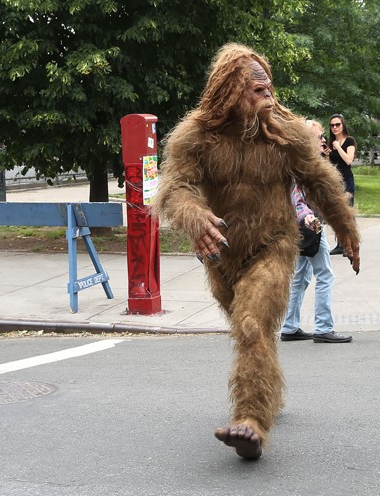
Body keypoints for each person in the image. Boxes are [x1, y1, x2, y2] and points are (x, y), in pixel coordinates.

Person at [154, 43, 360, 460]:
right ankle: (268, 394)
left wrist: (347, 230)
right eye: (256, 90)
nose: (268, 97)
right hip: (220, 256)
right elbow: (176, 189)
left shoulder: (286, 132)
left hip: (274, 245)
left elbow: (320, 179)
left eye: (269, 88)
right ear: (230, 91)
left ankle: (251, 422)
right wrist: (195, 216)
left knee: (251, 324)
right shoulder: (196, 134)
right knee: (256, 333)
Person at [280, 121, 353, 344]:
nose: (323, 139)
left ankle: (290, 328)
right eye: (318, 136)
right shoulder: (299, 166)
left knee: (300, 277)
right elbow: (296, 199)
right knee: (325, 275)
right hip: (308, 228)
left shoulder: (308, 163)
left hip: (303, 228)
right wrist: (308, 217)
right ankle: (323, 328)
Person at [323, 114, 356, 256]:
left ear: (343, 125)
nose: (335, 127)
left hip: (347, 180)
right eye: (332, 125)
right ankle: (340, 244)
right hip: (336, 182)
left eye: (337, 124)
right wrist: (326, 155)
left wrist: (338, 147)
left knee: (348, 212)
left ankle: (352, 244)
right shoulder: (331, 143)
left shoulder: (349, 141)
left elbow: (349, 160)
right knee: (337, 212)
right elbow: (331, 164)